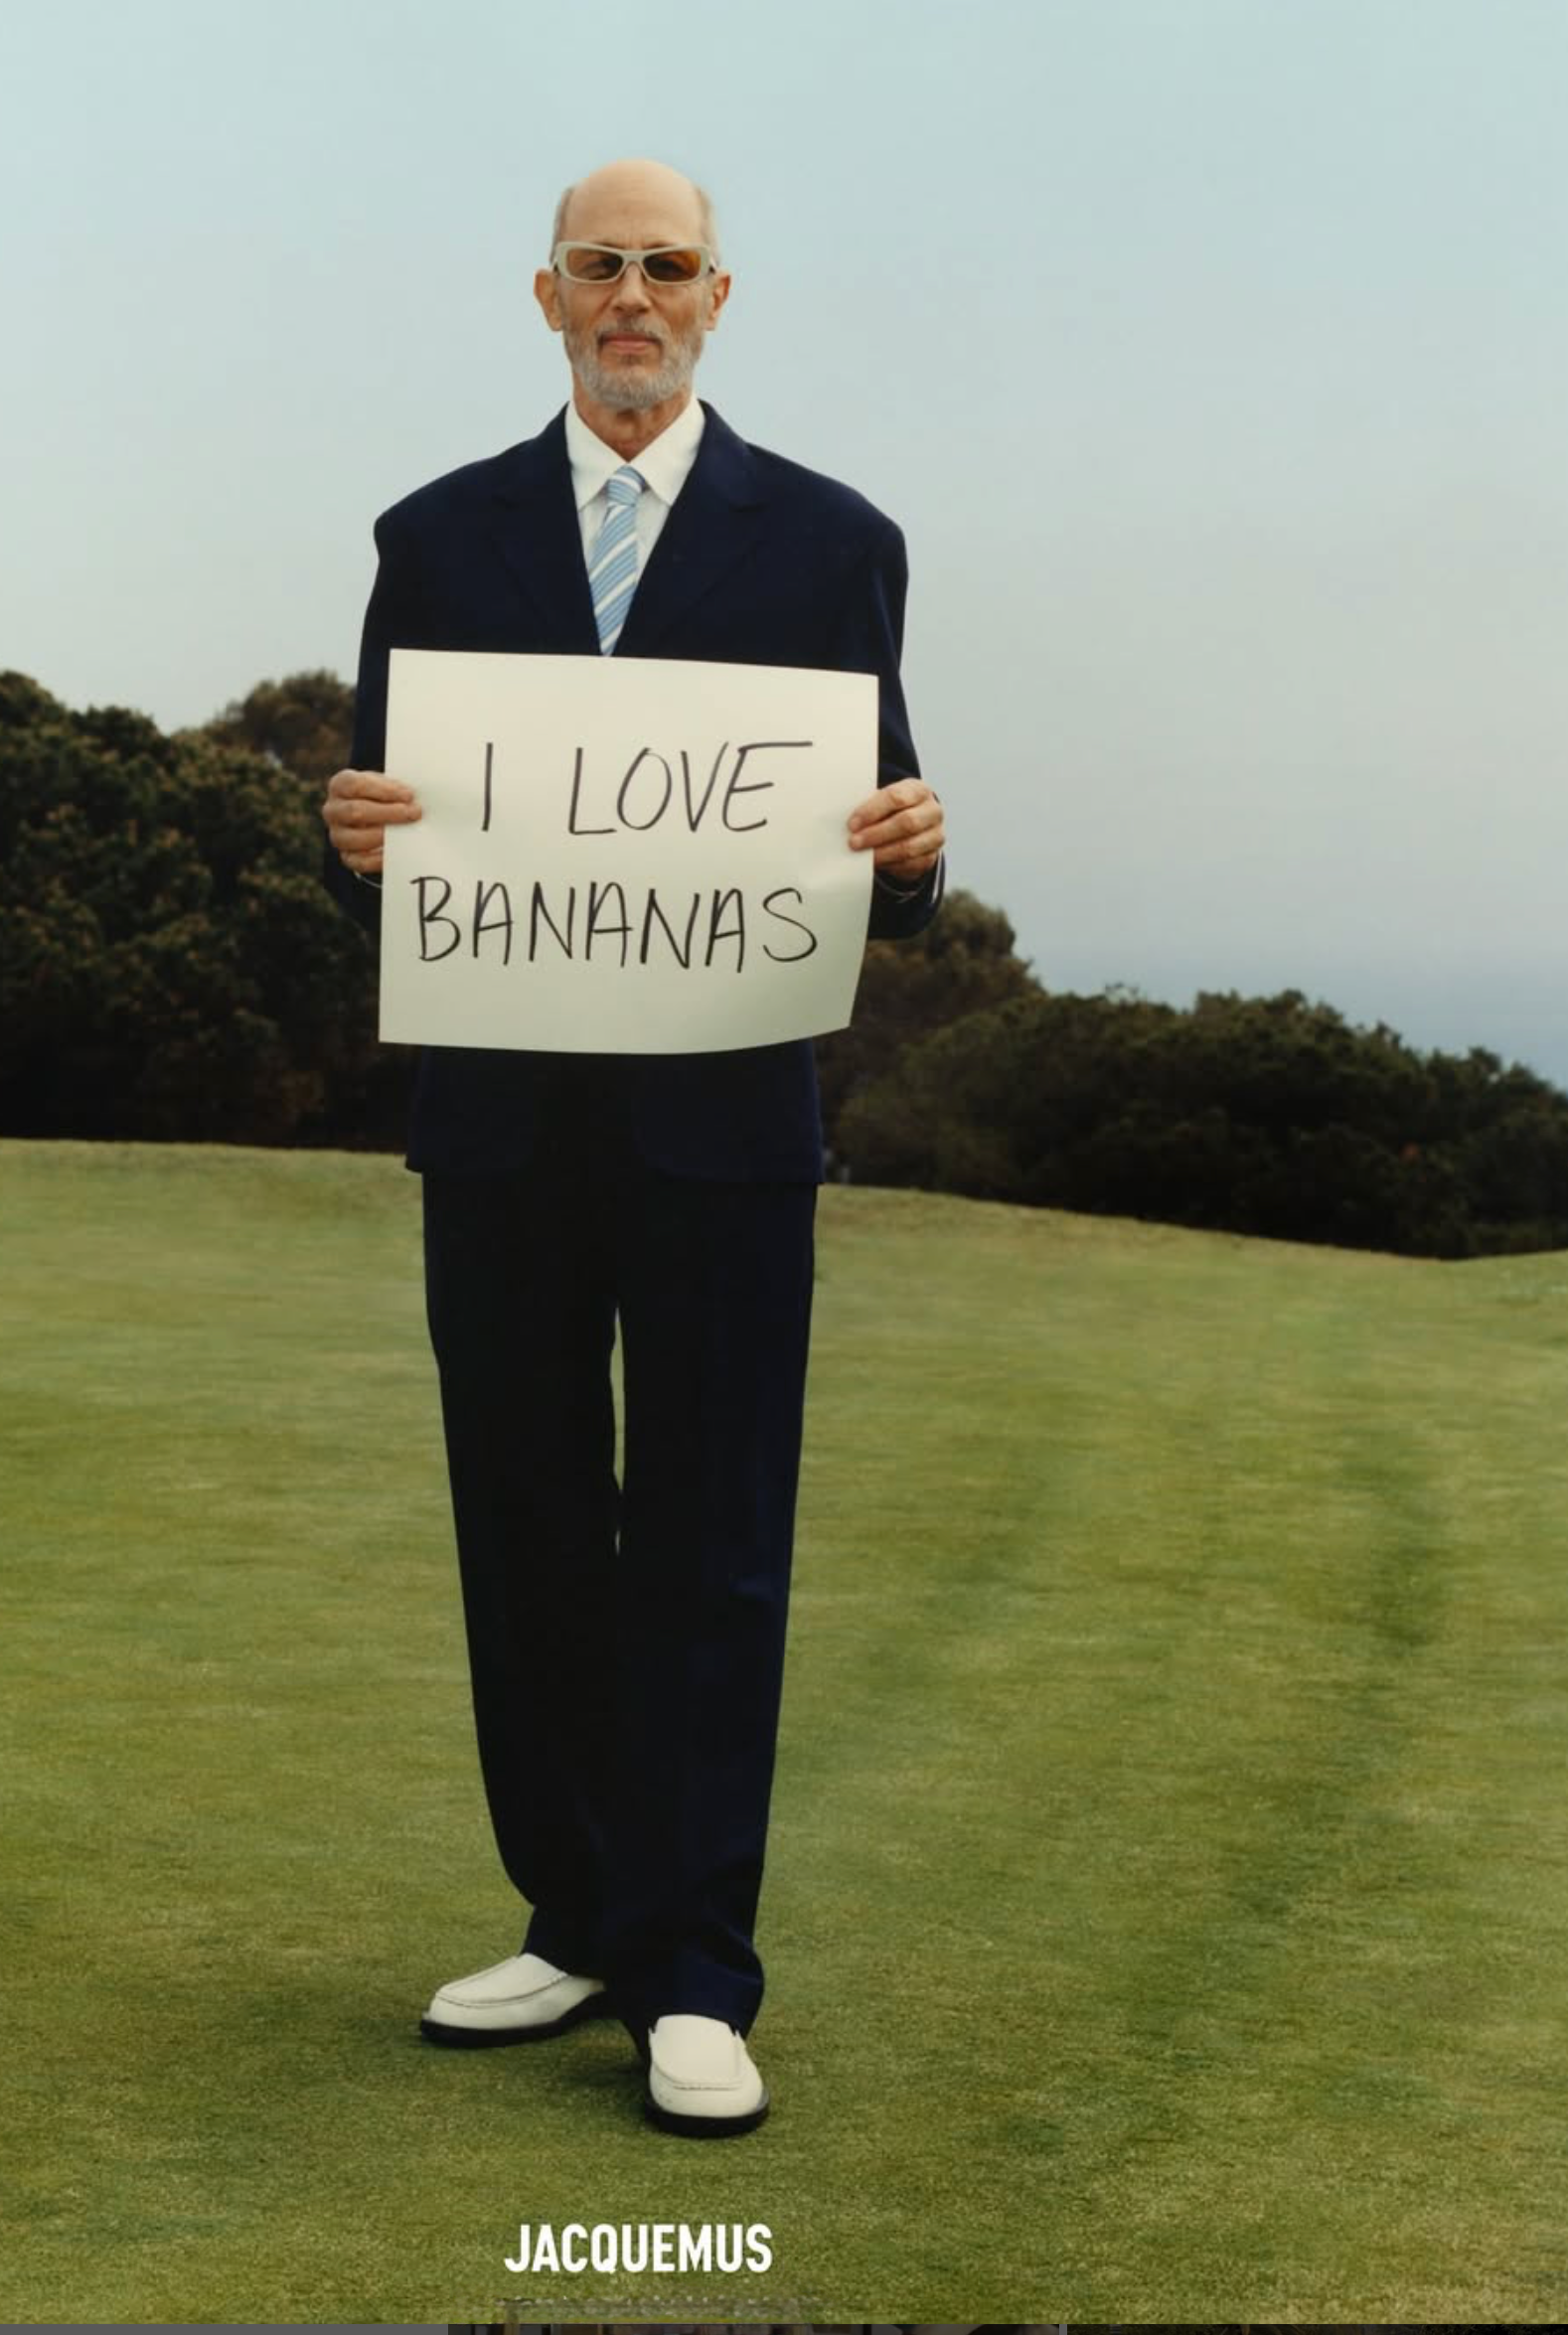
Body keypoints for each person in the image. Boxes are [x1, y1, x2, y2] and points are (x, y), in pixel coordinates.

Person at [322, 156, 944, 2136]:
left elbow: (878, 853)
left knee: (709, 1543)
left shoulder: (831, 542)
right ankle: (574, 1911)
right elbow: (392, 848)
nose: (632, 297)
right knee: (522, 1524)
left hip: (723, 1129)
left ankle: (694, 1965)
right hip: (500, 1128)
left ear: (718, 295)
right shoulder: (434, 538)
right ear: (544, 292)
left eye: (666, 267)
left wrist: (917, 857)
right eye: (599, 265)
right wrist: (350, 842)